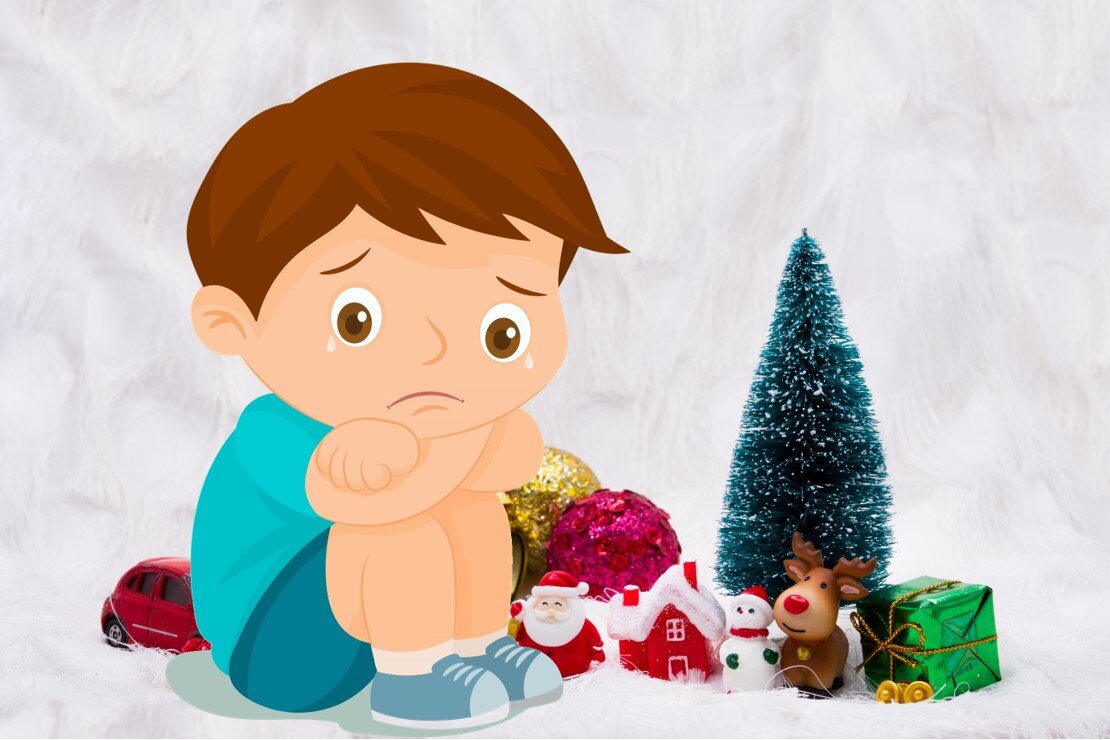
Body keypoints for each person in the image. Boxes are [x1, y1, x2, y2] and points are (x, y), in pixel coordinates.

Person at [184, 63, 626, 730]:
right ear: (232, 323)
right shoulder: (273, 430)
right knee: (403, 521)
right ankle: (411, 681)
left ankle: (476, 649)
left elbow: (514, 459)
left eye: (501, 329)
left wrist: (470, 446)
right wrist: (472, 443)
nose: (438, 353)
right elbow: (375, 500)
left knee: (472, 506)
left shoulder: (448, 426)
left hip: (388, 617)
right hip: (276, 642)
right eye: (356, 321)